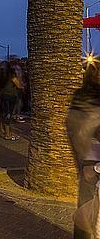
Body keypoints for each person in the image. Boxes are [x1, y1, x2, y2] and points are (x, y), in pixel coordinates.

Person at [67, 61, 100, 238]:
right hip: (91, 161)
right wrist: (83, 160)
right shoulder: (84, 96)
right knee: (86, 212)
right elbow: (75, 129)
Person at [0, 62, 21, 140]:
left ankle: (1, 130)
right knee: (8, 114)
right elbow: (19, 85)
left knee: (2, 113)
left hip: (2, 95)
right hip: (10, 96)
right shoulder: (12, 76)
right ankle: (8, 134)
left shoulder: (1, 76)